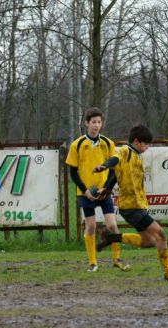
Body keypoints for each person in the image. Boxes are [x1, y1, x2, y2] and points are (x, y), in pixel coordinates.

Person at [93, 124, 168, 281]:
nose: (147, 147)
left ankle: (111, 238)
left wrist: (106, 189)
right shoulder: (125, 151)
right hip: (131, 207)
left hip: (137, 206)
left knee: (148, 241)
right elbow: (114, 160)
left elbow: (116, 175)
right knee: (160, 235)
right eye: (145, 144)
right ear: (136, 141)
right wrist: (103, 166)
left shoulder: (136, 156)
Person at [65, 107, 130, 272]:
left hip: (104, 192)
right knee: (91, 226)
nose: (96, 125)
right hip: (86, 193)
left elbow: (114, 168)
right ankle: (93, 262)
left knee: (112, 226)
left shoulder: (108, 143)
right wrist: (85, 190)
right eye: (93, 122)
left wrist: (105, 189)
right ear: (86, 123)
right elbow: (72, 172)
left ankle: (117, 259)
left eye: (99, 122)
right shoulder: (77, 144)